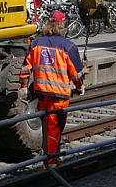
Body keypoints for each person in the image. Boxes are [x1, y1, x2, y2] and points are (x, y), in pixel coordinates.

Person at [19, 11, 85, 163]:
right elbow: (76, 74)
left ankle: (50, 156)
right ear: (62, 26)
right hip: (59, 96)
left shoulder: (35, 44)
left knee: (47, 126)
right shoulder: (68, 47)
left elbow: (25, 69)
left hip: (42, 93)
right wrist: (80, 87)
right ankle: (50, 162)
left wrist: (23, 87)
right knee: (54, 129)